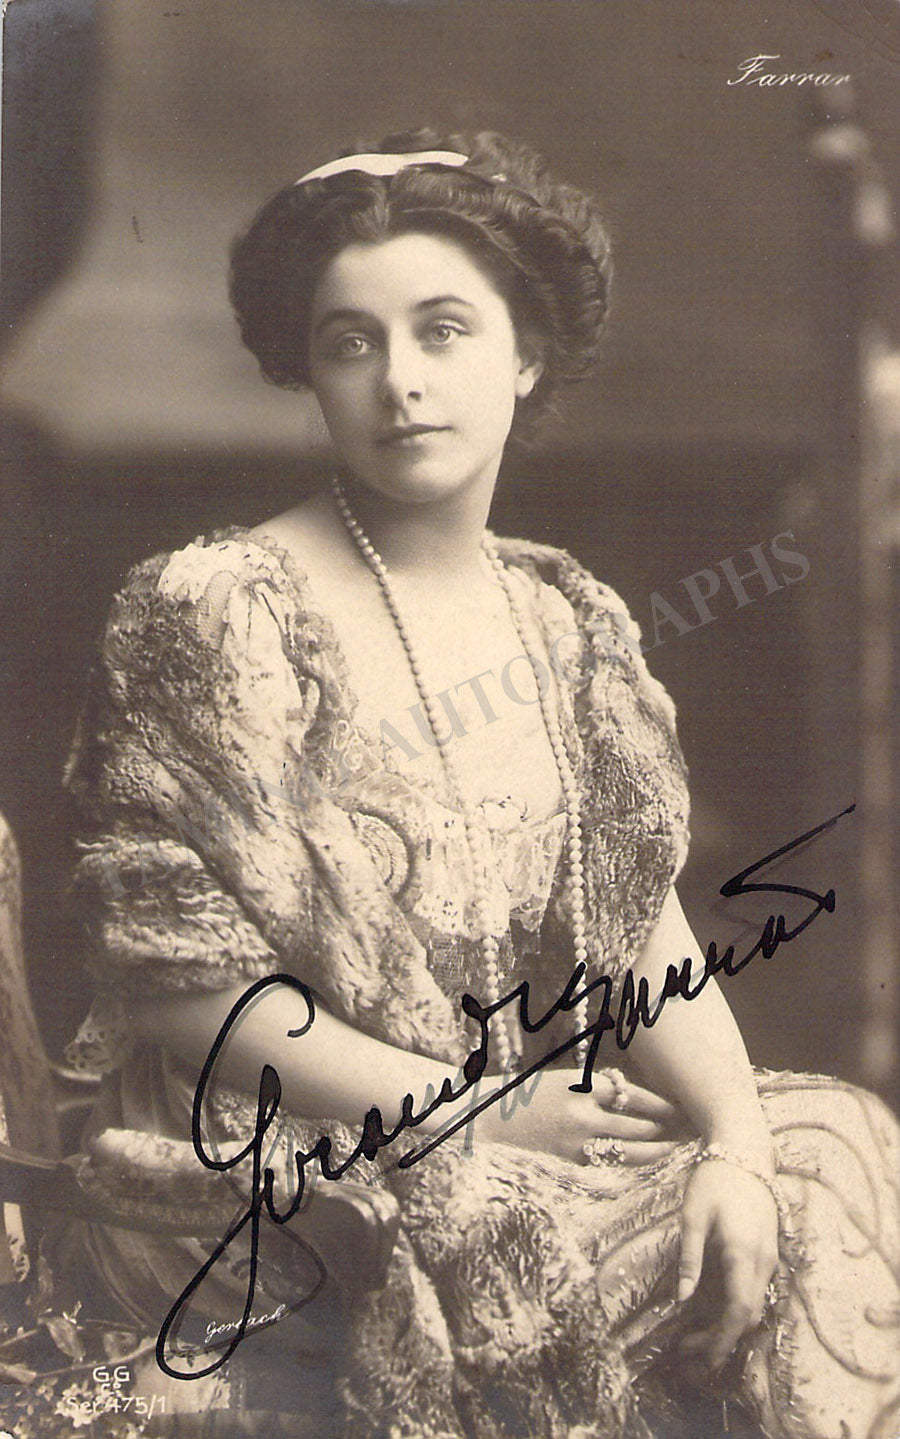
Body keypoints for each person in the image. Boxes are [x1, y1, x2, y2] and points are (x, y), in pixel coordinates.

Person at [60, 129, 899, 1438]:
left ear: (526, 355)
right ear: (310, 372)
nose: (400, 380)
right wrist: (483, 1118)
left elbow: (637, 924)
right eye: (351, 342)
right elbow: (185, 990)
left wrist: (733, 1143)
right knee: (641, 1239)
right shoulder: (215, 610)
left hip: (510, 1115)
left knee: (833, 1149)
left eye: (443, 330)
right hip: (269, 1150)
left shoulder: (566, 620)